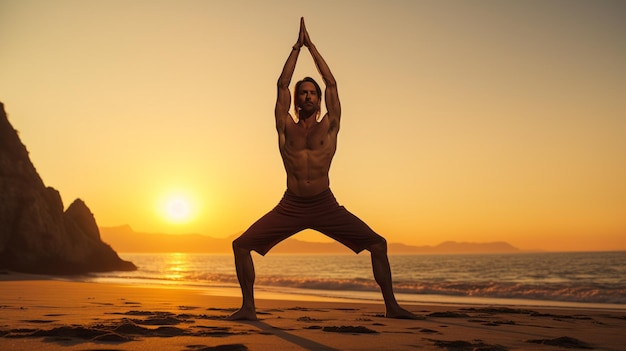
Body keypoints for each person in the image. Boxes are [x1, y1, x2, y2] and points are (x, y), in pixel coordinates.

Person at [228, 18, 417, 321]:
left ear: (318, 100)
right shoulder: (285, 126)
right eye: (303, 92)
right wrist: (295, 48)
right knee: (241, 245)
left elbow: (332, 84)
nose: (308, 96)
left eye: (312, 93)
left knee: (378, 245)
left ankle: (392, 306)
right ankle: (248, 308)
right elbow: (280, 85)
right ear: (296, 100)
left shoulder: (330, 126)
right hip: (290, 205)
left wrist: (312, 48)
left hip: (324, 204)